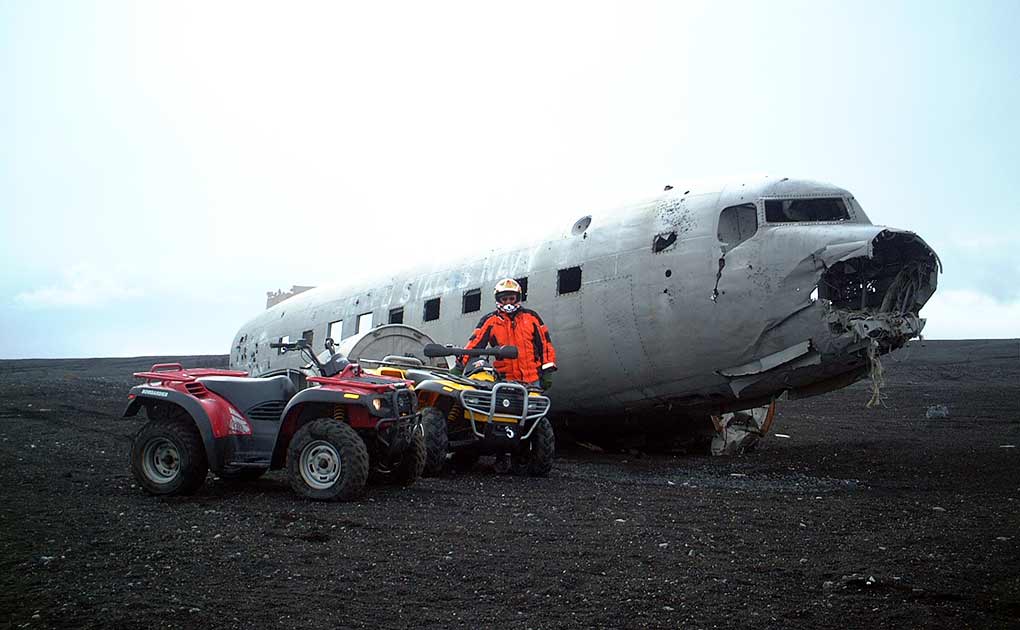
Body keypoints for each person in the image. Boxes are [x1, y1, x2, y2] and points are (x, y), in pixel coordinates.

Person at [459, 278, 557, 389]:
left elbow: (545, 345)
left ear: (518, 298)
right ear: (498, 300)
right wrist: (459, 366)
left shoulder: (531, 318)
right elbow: (474, 345)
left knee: (534, 406)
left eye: (511, 298)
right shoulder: (491, 321)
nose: (508, 302)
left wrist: (548, 372)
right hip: (505, 381)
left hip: (533, 380)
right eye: (504, 299)